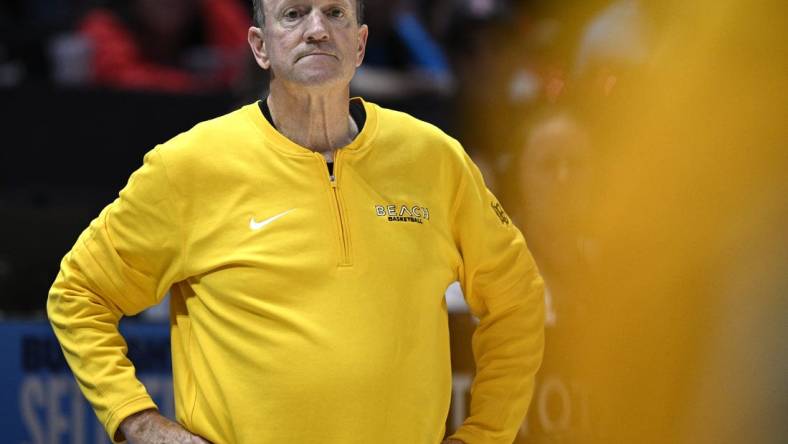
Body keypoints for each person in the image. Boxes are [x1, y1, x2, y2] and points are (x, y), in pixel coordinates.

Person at [46, 0, 545, 443]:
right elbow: (78, 293)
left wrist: (486, 434)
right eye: (293, 14)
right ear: (260, 47)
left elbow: (517, 297)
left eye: (335, 13)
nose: (317, 30)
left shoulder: (436, 160)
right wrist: (139, 421)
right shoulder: (189, 167)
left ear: (360, 44)